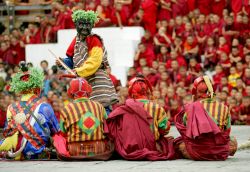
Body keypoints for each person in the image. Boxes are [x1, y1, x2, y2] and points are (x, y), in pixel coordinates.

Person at [57, 10, 118, 114]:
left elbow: (95, 62)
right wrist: (63, 63)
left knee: (102, 110)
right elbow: (73, 60)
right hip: (83, 81)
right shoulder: (76, 40)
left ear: (92, 26)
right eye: (81, 24)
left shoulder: (94, 39)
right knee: (87, 112)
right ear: (76, 24)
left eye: (87, 25)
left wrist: (79, 71)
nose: (84, 28)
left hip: (97, 80)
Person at [0, 62, 63, 160]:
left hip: (16, 154)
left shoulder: (11, 107)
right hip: (40, 154)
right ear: (38, 89)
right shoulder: (45, 107)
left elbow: (7, 132)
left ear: (20, 90)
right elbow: (57, 131)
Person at [106, 75, 175, 160]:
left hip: (130, 147)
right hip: (152, 145)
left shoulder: (124, 108)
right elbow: (164, 129)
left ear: (130, 91)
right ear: (146, 91)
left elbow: (114, 128)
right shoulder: (156, 107)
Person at [174, 76, 237, 160]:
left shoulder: (191, 107)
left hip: (196, 152)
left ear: (195, 91)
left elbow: (186, 128)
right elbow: (227, 131)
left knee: (177, 144)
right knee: (232, 140)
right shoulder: (224, 107)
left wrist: (193, 104)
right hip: (219, 152)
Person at [57, 78, 114, 160]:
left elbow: (63, 132)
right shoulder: (99, 106)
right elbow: (108, 128)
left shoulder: (66, 109)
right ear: (88, 91)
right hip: (99, 150)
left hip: (75, 152)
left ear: (71, 92)